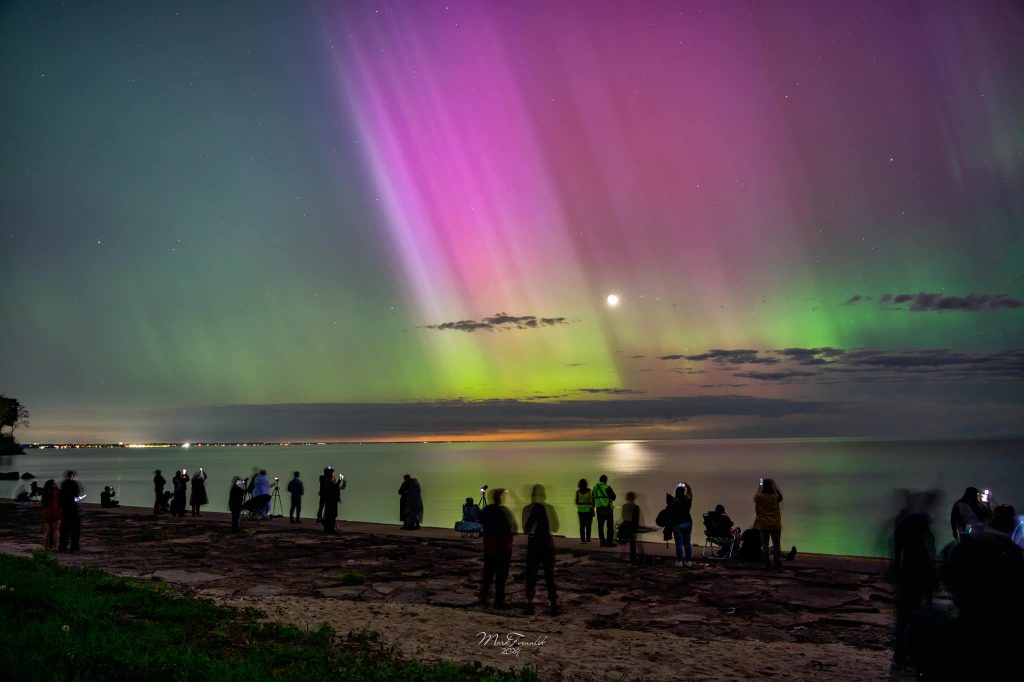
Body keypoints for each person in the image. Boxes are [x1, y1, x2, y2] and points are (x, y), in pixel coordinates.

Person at [889, 490, 939, 668]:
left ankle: (902, 651)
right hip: (917, 572)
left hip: (908, 572)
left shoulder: (903, 522)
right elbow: (930, 547)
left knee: (905, 613)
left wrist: (895, 567)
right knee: (917, 610)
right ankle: (912, 650)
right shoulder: (918, 522)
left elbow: (896, 546)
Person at [522, 484, 560, 615]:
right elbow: (555, 527)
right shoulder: (549, 508)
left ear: (532, 495)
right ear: (545, 495)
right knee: (549, 574)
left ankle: (530, 602)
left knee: (531, 573)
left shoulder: (527, 509)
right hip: (547, 541)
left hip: (533, 542)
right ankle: (553, 603)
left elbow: (525, 529)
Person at [478, 488, 515, 609]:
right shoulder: (505, 511)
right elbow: (513, 526)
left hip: (489, 545)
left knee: (488, 572)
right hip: (503, 546)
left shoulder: (486, 510)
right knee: (501, 575)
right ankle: (498, 601)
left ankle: (483, 597)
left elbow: (481, 522)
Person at [754, 478, 784, 570]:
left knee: (765, 545)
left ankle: (767, 564)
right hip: (775, 524)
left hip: (763, 524)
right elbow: (781, 497)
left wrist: (759, 487)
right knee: (776, 544)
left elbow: (755, 498)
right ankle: (778, 563)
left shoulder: (760, 496)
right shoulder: (775, 496)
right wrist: (775, 487)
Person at [670, 483, 694, 568]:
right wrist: (689, 487)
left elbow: (670, 511)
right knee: (687, 543)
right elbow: (690, 495)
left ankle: (679, 562)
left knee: (679, 544)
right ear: (684, 492)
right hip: (688, 522)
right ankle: (688, 561)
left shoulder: (673, 501)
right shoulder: (688, 500)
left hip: (677, 524)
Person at [58, 470, 82, 552]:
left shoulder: (63, 484)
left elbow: (61, 495)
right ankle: (74, 546)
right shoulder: (74, 484)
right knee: (75, 529)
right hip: (72, 508)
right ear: (72, 476)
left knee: (64, 529)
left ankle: (63, 546)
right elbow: (76, 494)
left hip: (65, 508)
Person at [593, 474, 617, 547]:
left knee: (600, 527)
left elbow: (593, 498)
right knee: (609, 527)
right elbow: (614, 497)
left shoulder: (595, 488)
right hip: (608, 510)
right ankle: (609, 542)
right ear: (605, 480)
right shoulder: (607, 487)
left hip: (599, 510)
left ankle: (602, 542)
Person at [618, 491, 641, 564]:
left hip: (625, 525)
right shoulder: (635, 507)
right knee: (632, 543)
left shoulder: (624, 506)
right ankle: (632, 559)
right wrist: (636, 528)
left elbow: (623, 516)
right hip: (632, 526)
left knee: (624, 542)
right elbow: (635, 519)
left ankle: (622, 556)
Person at [321, 469, 346, 534]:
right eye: (333, 473)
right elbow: (335, 486)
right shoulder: (328, 481)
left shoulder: (327, 480)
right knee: (331, 514)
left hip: (330, 500)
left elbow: (336, 486)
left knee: (330, 514)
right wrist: (340, 479)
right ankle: (330, 529)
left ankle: (328, 529)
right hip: (331, 500)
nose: (333, 474)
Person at [41, 479, 61, 551]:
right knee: (56, 530)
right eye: (55, 483)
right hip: (56, 513)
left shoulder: (45, 493)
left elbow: (43, 503)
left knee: (47, 532)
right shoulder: (57, 492)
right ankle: (55, 547)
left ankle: (45, 547)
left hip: (47, 513)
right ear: (53, 485)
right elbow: (61, 502)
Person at [575, 479, 594, 543]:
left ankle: (582, 539)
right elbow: (591, 501)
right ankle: (588, 539)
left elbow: (576, 502)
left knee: (582, 526)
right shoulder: (589, 491)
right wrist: (587, 503)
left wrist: (582, 503)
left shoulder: (578, 491)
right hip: (588, 510)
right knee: (588, 525)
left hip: (580, 511)